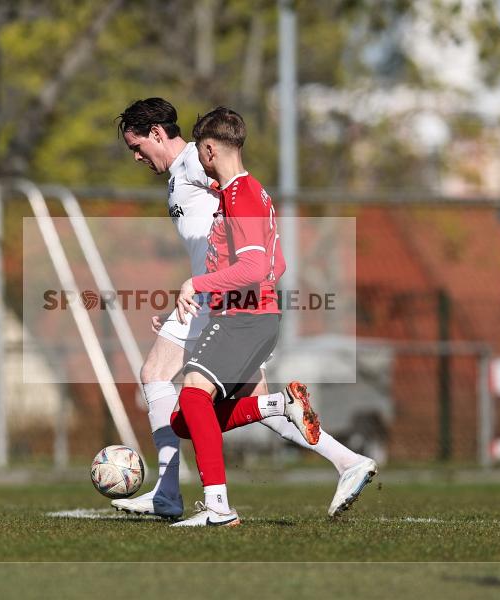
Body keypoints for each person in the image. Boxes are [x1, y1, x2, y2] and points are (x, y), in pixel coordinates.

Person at [112, 98, 376, 521]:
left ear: (158, 133)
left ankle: (175, 494)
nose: (137, 156)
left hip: (225, 300)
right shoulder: (185, 173)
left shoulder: (197, 164)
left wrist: (203, 288)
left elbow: (239, 200)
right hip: (215, 298)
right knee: (256, 402)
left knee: (158, 377)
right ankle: (346, 460)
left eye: (137, 146)